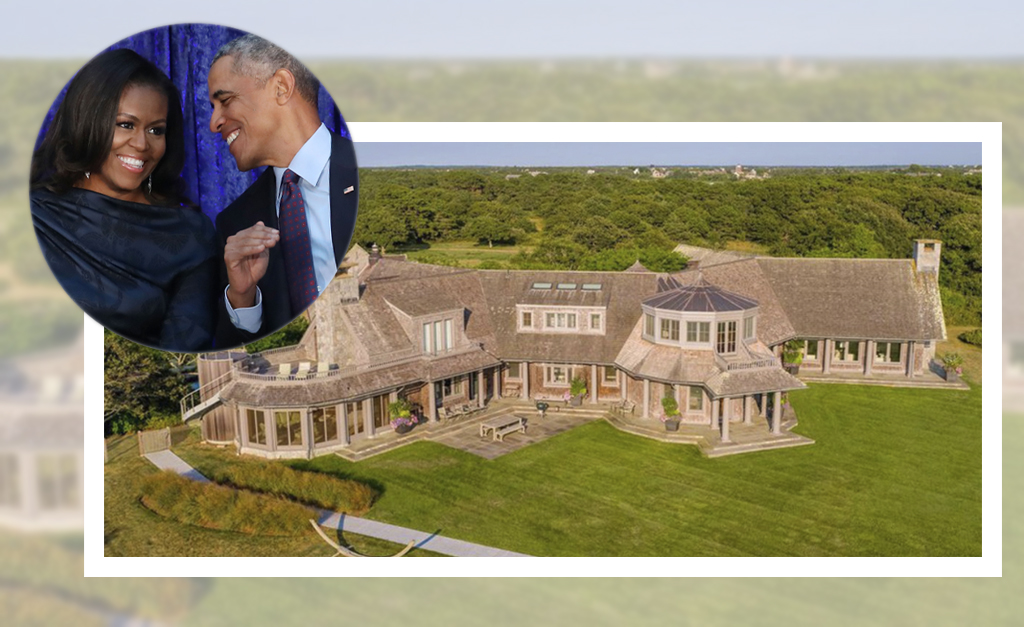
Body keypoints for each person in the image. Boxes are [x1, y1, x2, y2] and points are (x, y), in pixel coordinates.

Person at [31, 48, 218, 352]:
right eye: (126, 124)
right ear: (87, 122)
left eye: (156, 130)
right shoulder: (35, 214)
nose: (142, 144)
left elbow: (182, 352)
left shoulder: (191, 235)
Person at [207, 34, 358, 348]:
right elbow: (237, 351)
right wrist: (243, 297)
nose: (214, 122)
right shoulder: (233, 223)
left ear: (281, 87)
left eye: (226, 100)